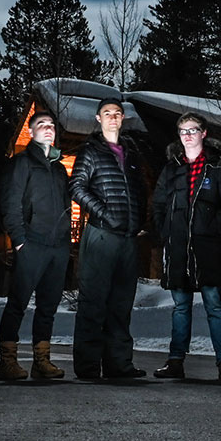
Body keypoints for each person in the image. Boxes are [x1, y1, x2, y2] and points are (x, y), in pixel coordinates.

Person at [152, 112, 221, 381]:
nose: (188, 135)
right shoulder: (171, 169)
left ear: (204, 133)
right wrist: (165, 231)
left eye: (193, 130)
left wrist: (212, 227)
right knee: (180, 307)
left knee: (214, 305)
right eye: (183, 131)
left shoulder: (217, 170)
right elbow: (158, 204)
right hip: (178, 249)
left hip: (207, 249)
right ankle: (176, 361)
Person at [69, 98, 148, 380]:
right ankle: (88, 367)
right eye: (107, 113)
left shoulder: (131, 154)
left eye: (117, 113)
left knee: (121, 304)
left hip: (128, 239)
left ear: (123, 118)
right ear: (98, 118)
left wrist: (139, 220)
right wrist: (104, 214)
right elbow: (76, 187)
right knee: (94, 302)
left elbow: (140, 190)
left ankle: (119, 365)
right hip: (101, 235)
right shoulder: (91, 151)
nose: (112, 117)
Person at [0, 110, 72, 381]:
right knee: (18, 303)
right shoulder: (23, 163)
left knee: (48, 307)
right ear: (32, 131)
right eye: (41, 125)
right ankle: (7, 363)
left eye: (51, 125)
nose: (48, 128)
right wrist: (19, 242)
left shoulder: (60, 168)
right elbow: (11, 203)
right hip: (32, 244)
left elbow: (66, 205)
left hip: (58, 247)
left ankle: (42, 361)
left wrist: (66, 240)